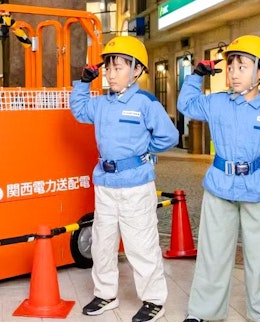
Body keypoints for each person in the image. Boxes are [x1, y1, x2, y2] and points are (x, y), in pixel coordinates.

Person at [177, 35, 260, 322]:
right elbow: (186, 105)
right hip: (219, 187)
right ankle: (203, 312)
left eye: (242, 67)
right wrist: (196, 76)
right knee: (213, 253)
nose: (233, 73)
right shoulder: (216, 103)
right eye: (230, 67)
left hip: (258, 189)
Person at [70, 36, 178, 322]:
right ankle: (105, 294)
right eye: (108, 68)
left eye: (117, 68)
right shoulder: (101, 104)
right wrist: (83, 83)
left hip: (136, 185)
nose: (110, 74)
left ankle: (154, 301)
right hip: (105, 184)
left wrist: (143, 152)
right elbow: (79, 111)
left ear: (137, 70)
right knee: (102, 244)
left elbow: (169, 136)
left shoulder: (145, 103)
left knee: (141, 245)